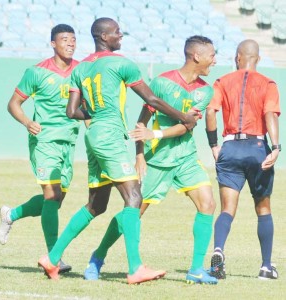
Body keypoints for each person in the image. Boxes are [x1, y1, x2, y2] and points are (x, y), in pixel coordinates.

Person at [37, 17, 197, 283]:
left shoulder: (81, 67)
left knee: (96, 205)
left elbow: (71, 111)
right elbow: (152, 99)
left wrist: (96, 112)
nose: (120, 35)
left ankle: (52, 258)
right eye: (116, 32)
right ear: (103, 36)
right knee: (134, 196)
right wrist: (184, 117)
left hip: (93, 134)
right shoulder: (122, 63)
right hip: (110, 135)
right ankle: (135, 268)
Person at [83, 35, 218, 285]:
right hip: (157, 159)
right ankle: (97, 257)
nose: (215, 60)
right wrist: (139, 155)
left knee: (208, 203)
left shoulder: (205, 90)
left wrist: (154, 134)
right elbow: (141, 122)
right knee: (133, 211)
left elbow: (186, 126)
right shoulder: (161, 83)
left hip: (186, 157)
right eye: (212, 55)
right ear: (196, 56)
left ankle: (196, 269)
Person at [0, 24, 82, 273]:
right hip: (44, 141)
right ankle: (54, 258)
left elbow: (84, 107)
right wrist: (27, 122)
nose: (70, 43)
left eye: (73, 40)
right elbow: (14, 103)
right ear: (53, 44)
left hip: (69, 142)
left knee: (55, 200)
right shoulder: (36, 72)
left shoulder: (81, 71)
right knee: (52, 196)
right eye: (64, 39)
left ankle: (10, 215)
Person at [206, 39, 280, 280]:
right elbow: (270, 114)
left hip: (230, 148)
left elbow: (210, 112)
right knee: (263, 208)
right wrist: (276, 147)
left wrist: (213, 144)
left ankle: (218, 251)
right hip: (257, 147)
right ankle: (266, 267)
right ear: (257, 59)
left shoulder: (221, 82)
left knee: (227, 208)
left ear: (237, 57)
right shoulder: (268, 83)